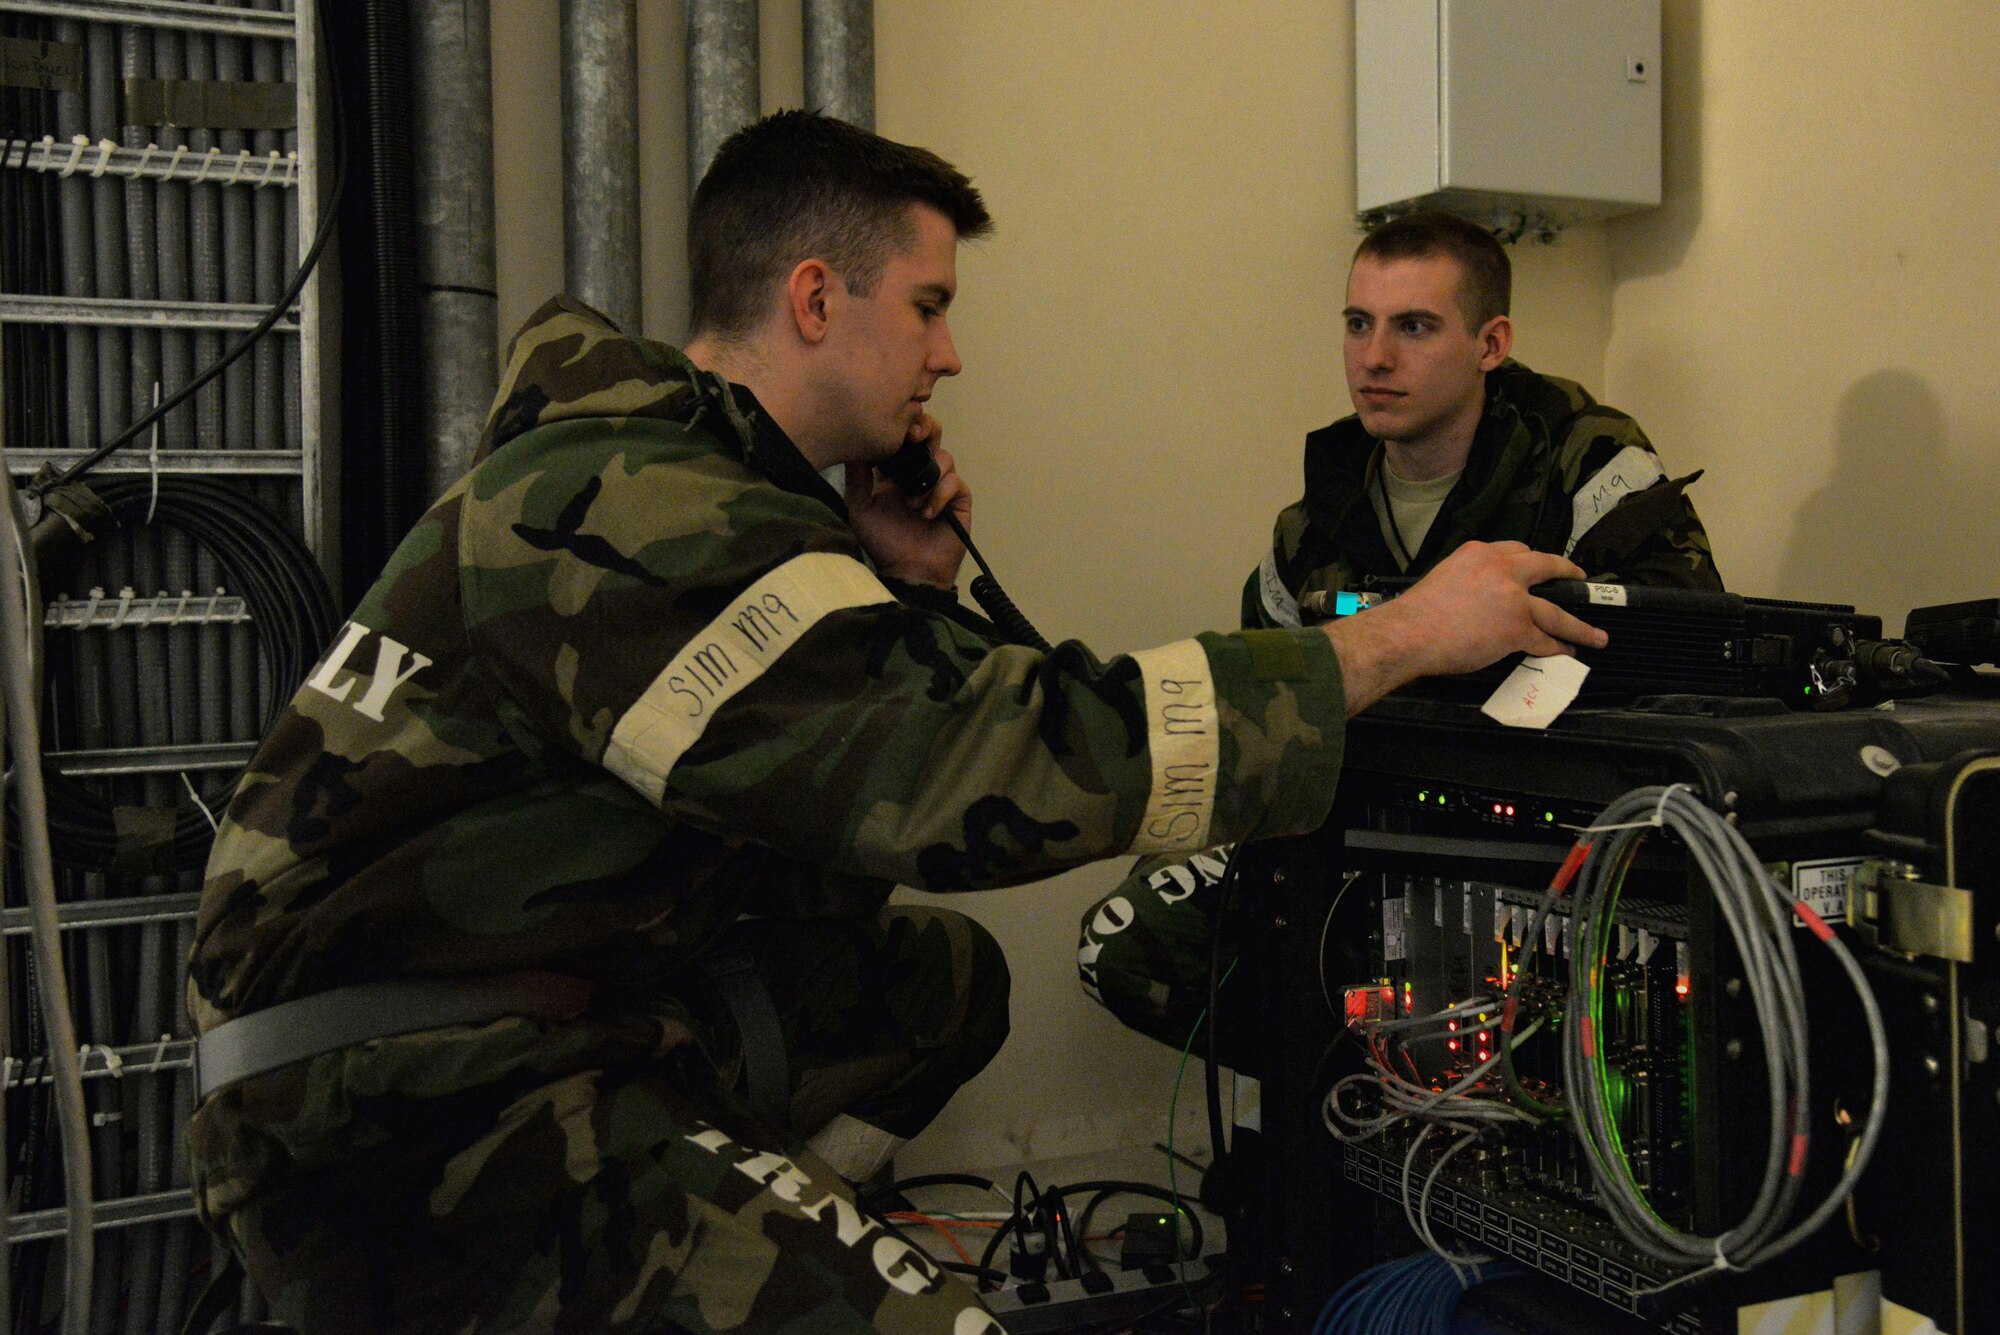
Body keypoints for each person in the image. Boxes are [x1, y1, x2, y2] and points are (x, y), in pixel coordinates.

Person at [185, 116, 1605, 1335]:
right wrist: (1398, 637)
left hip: (559, 1012)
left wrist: (908, 578)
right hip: (407, 1112)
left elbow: (855, 826)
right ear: (817, 297)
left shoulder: (701, 491)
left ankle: (772, 1217)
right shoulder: (640, 512)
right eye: (928, 305)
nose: (952, 354)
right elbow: (967, 768)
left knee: (932, 980)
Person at [1080, 211, 1722, 1054]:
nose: (1374, 358)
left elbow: (1692, 654)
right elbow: (1269, 709)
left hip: (1547, 843)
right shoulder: (1315, 516)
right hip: (1353, 837)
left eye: (1413, 326)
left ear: (1491, 343)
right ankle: (1365, 1105)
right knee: (1120, 942)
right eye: (1358, 324)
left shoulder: (1584, 461)